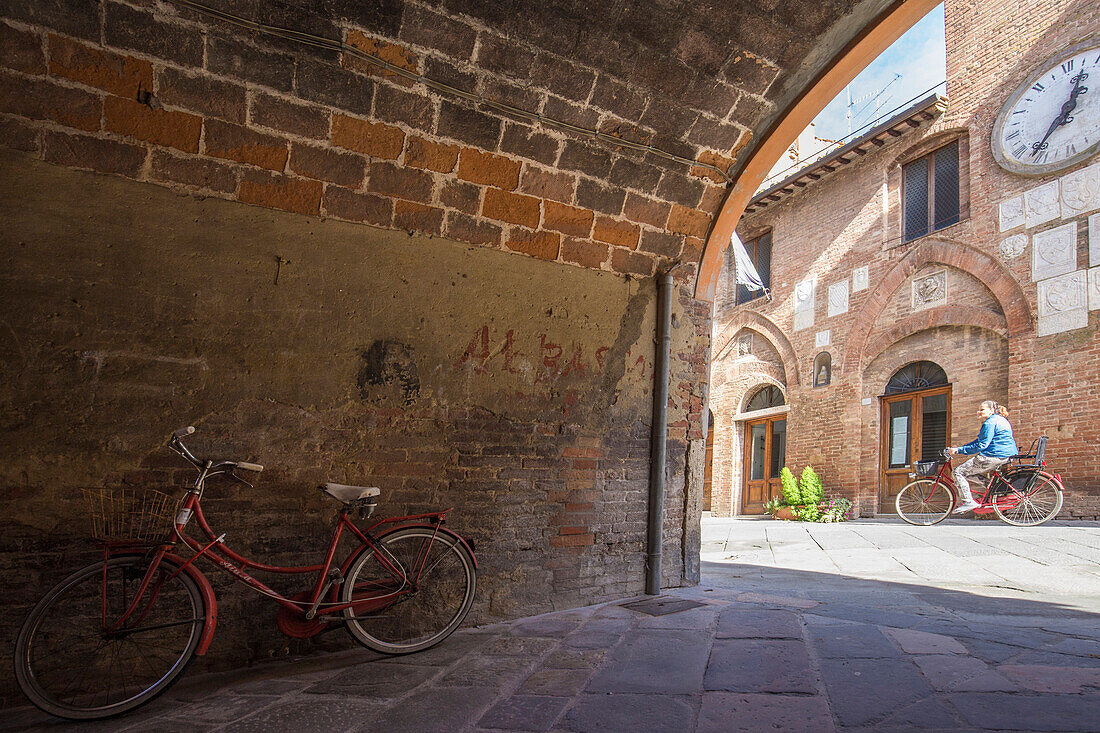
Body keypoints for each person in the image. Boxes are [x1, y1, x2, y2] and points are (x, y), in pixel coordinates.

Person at [947, 400, 1016, 513]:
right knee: (967, 472)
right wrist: (959, 448)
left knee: (958, 472)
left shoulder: (989, 423)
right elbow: (979, 440)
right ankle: (993, 488)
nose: (978, 412)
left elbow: (982, 445)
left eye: (982, 409)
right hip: (1005, 455)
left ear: (992, 410)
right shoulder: (1000, 420)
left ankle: (968, 501)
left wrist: (959, 450)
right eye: (979, 409)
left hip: (994, 455)